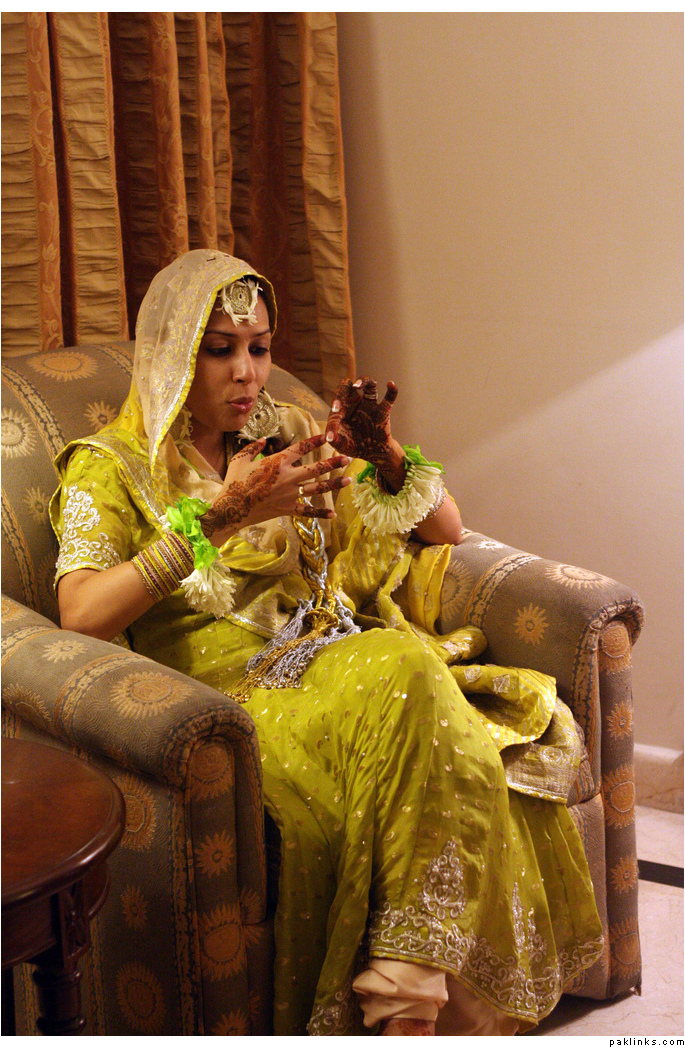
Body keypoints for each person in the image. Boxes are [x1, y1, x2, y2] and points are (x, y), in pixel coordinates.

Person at [51, 249, 604, 1036]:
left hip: (330, 653)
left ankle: (407, 997)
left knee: (416, 683)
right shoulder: (112, 468)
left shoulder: (285, 438)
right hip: (225, 694)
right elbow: (80, 616)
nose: (248, 374)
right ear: (173, 354)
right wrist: (221, 519)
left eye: (260, 349)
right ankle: (409, 1006)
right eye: (220, 350)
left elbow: (445, 529)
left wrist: (382, 451)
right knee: (409, 670)